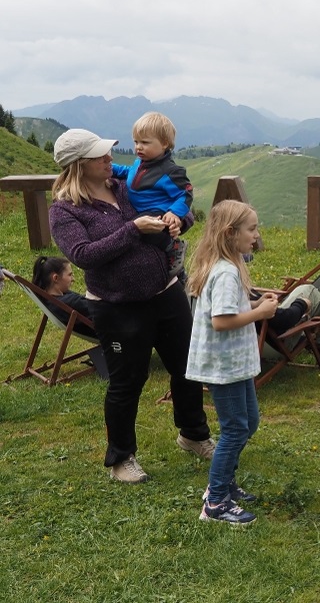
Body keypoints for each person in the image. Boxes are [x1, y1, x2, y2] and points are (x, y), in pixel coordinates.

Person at [48, 128, 213, 483]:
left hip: (165, 292)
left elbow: (175, 207)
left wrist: (177, 220)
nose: (111, 158)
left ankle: (193, 434)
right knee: (127, 382)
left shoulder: (125, 187)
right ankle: (121, 459)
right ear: (79, 165)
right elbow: (83, 256)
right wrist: (133, 229)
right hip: (117, 307)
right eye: (101, 156)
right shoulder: (65, 211)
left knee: (186, 368)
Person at [186, 200, 278, 526]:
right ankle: (215, 502)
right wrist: (260, 313)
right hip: (222, 365)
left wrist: (253, 302)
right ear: (230, 233)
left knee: (248, 422)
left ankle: (222, 482)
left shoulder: (228, 263)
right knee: (235, 428)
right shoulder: (225, 271)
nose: (256, 235)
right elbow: (222, 320)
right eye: (251, 229)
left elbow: (230, 306)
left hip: (233, 363)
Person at [109, 112, 193, 278]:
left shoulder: (171, 171)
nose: (138, 147)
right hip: (143, 211)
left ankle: (173, 247)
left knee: (141, 229)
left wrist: (174, 212)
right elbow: (130, 173)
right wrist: (112, 170)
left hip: (157, 212)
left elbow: (186, 193)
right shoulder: (141, 162)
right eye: (136, 141)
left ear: (164, 144)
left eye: (145, 142)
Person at [32, 255, 93, 325]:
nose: (73, 279)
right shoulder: (72, 302)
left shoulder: (51, 302)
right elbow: (100, 310)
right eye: (70, 275)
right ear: (56, 278)